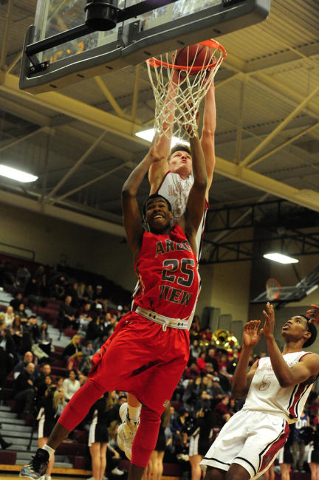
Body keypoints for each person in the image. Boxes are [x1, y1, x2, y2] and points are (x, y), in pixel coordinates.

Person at [19, 124, 207, 480]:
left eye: (160, 205)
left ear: (171, 213)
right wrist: (151, 158)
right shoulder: (141, 240)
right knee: (97, 383)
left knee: (154, 413)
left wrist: (194, 136)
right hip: (144, 324)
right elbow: (127, 193)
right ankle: (46, 453)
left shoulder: (189, 234)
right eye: (149, 207)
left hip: (178, 337)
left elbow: (200, 183)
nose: (154, 208)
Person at [118, 80, 217, 454]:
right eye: (177, 156)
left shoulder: (198, 189)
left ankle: (142, 414)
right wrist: (174, 86)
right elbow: (163, 138)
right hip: (154, 274)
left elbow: (206, 134)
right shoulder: (159, 184)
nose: (183, 159)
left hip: (187, 279)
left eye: (187, 157)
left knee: (166, 357)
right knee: (141, 347)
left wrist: (207, 82)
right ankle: (130, 412)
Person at [200, 303, 319, 480]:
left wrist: (269, 337)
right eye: (289, 319)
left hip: (272, 421)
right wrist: (247, 349)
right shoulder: (262, 361)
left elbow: (286, 379)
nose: (289, 321)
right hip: (243, 415)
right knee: (213, 476)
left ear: (306, 334)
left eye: (297, 320)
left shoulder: (311, 359)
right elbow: (238, 391)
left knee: (236, 476)